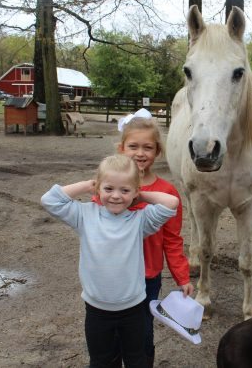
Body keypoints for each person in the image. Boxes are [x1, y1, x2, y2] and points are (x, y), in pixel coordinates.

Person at [40, 154, 179, 367]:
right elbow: (49, 200)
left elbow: (171, 203)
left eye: (124, 190)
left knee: (136, 360)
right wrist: (88, 185)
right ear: (98, 188)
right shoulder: (85, 215)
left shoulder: (140, 220)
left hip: (133, 309)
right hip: (97, 311)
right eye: (108, 189)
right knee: (101, 361)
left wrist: (141, 197)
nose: (116, 196)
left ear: (135, 191)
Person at [94, 109, 194, 368]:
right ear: (121, 148)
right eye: (133, 146)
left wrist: (182, 276)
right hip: (112, 274)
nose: (140, 153)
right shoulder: (108, 190)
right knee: (110, 332)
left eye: (148, 147)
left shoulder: (166, 192)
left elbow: (172, 240)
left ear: (157, 151)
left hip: (147, 277)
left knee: (141, 333)